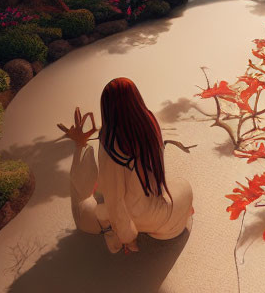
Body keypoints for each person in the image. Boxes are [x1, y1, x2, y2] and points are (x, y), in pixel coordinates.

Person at [60, 77, 194, 254]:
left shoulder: (111, 143)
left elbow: (115, 198)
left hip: (138, 212)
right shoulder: (149, 122)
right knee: (183, 186)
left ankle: (146, 227)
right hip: (153, 203)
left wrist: (127, 238)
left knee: (92, 211)